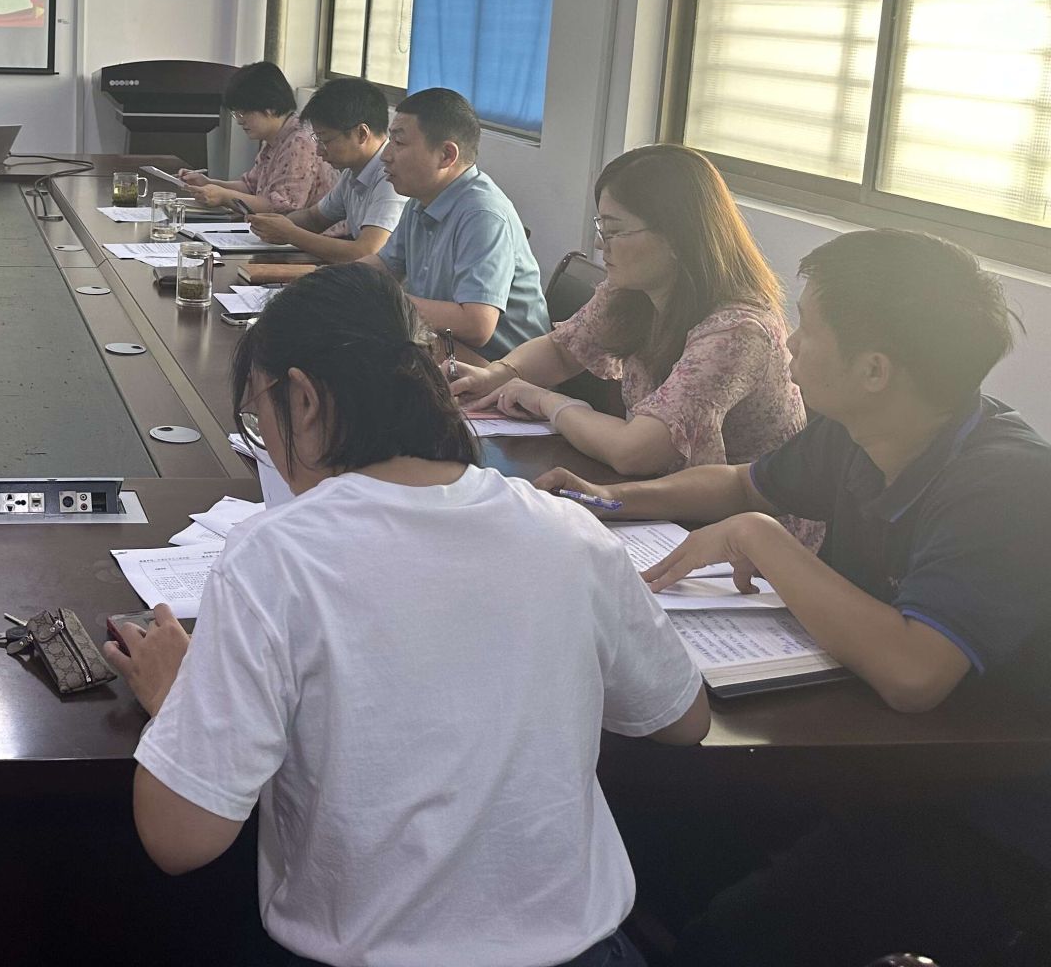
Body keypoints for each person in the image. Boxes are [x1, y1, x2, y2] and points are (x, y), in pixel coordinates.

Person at [105, 263, 707, 967]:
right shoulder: (568, 531)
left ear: (304, 399)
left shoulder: (276, 555)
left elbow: (179, 840)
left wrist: (178, 700)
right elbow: (682, 719)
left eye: (258, 416)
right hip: (584, 953)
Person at [539, 229, 1051, 965]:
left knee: (725, 939)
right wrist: (610, 500)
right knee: (629, 817)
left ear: (874, 370)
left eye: (809, 327)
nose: (790, 344)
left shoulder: (1007, 485)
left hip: (984, 810)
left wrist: (763, 540)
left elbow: (916, 673)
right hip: (863, 756)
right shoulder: (860, 431)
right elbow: (739, 484)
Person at [449, 145, 808, 486]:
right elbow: (563, 350)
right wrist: (496, 375)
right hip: (659, 494)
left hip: (738, 518)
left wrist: (546, 401)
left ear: (677, 237)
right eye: (601, 228)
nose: (600, 243)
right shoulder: (633, 291)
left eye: (615, 230)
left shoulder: (738, 331)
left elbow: (634, 452)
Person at [372, 86, 548, 362]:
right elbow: (384, 266)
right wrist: (329, 280)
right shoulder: (420, 200)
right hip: (446, 348)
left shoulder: (482, 214)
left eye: (399, 143)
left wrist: (380, 299)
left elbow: (476, 324)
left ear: (446, 155)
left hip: (504, 370)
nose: (385, 154)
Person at [244, 77, 402, 262]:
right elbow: (314, 219)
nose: (319, 151)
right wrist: (273, 224)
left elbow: (366, 253)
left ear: (361, 133)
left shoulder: (391, 178)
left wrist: (290, 234)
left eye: (325, 141)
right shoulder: (352, 173)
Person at [175, 61, 335, 219]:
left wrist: (225, 197)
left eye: (243, 113)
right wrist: (208, 183)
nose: (239, 121)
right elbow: (250, 187)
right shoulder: (274, 138)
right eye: (236, 114)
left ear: (270, 107)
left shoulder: (300, 142)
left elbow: (282, 208)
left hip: (308, 233)